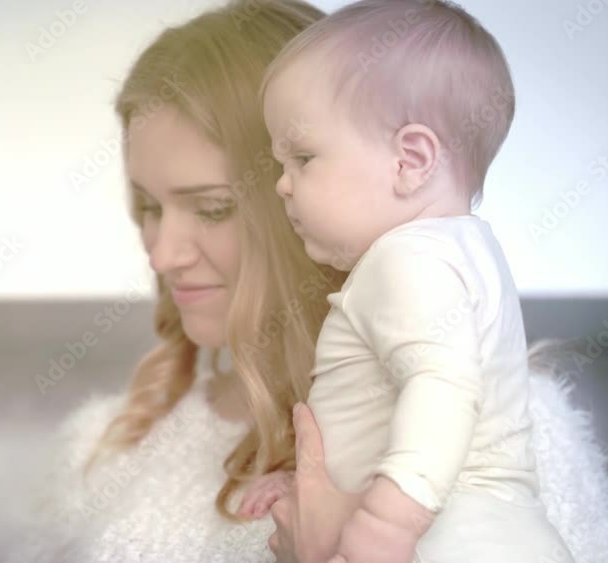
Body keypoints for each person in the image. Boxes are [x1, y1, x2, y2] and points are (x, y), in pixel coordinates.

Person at [11, 1, 608, 562]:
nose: (161, 254)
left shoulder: (515, 429)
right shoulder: (102, 443)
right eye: (149, 206)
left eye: (213, 208)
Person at [240, 1, 571, 561]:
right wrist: (312, 483)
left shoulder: (404, 258)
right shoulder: (465, 251)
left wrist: (387, 521)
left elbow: (444, 387)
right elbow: (384, 417)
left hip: (450, 535)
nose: (283, 185)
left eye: (303, 157)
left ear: (410, 161)